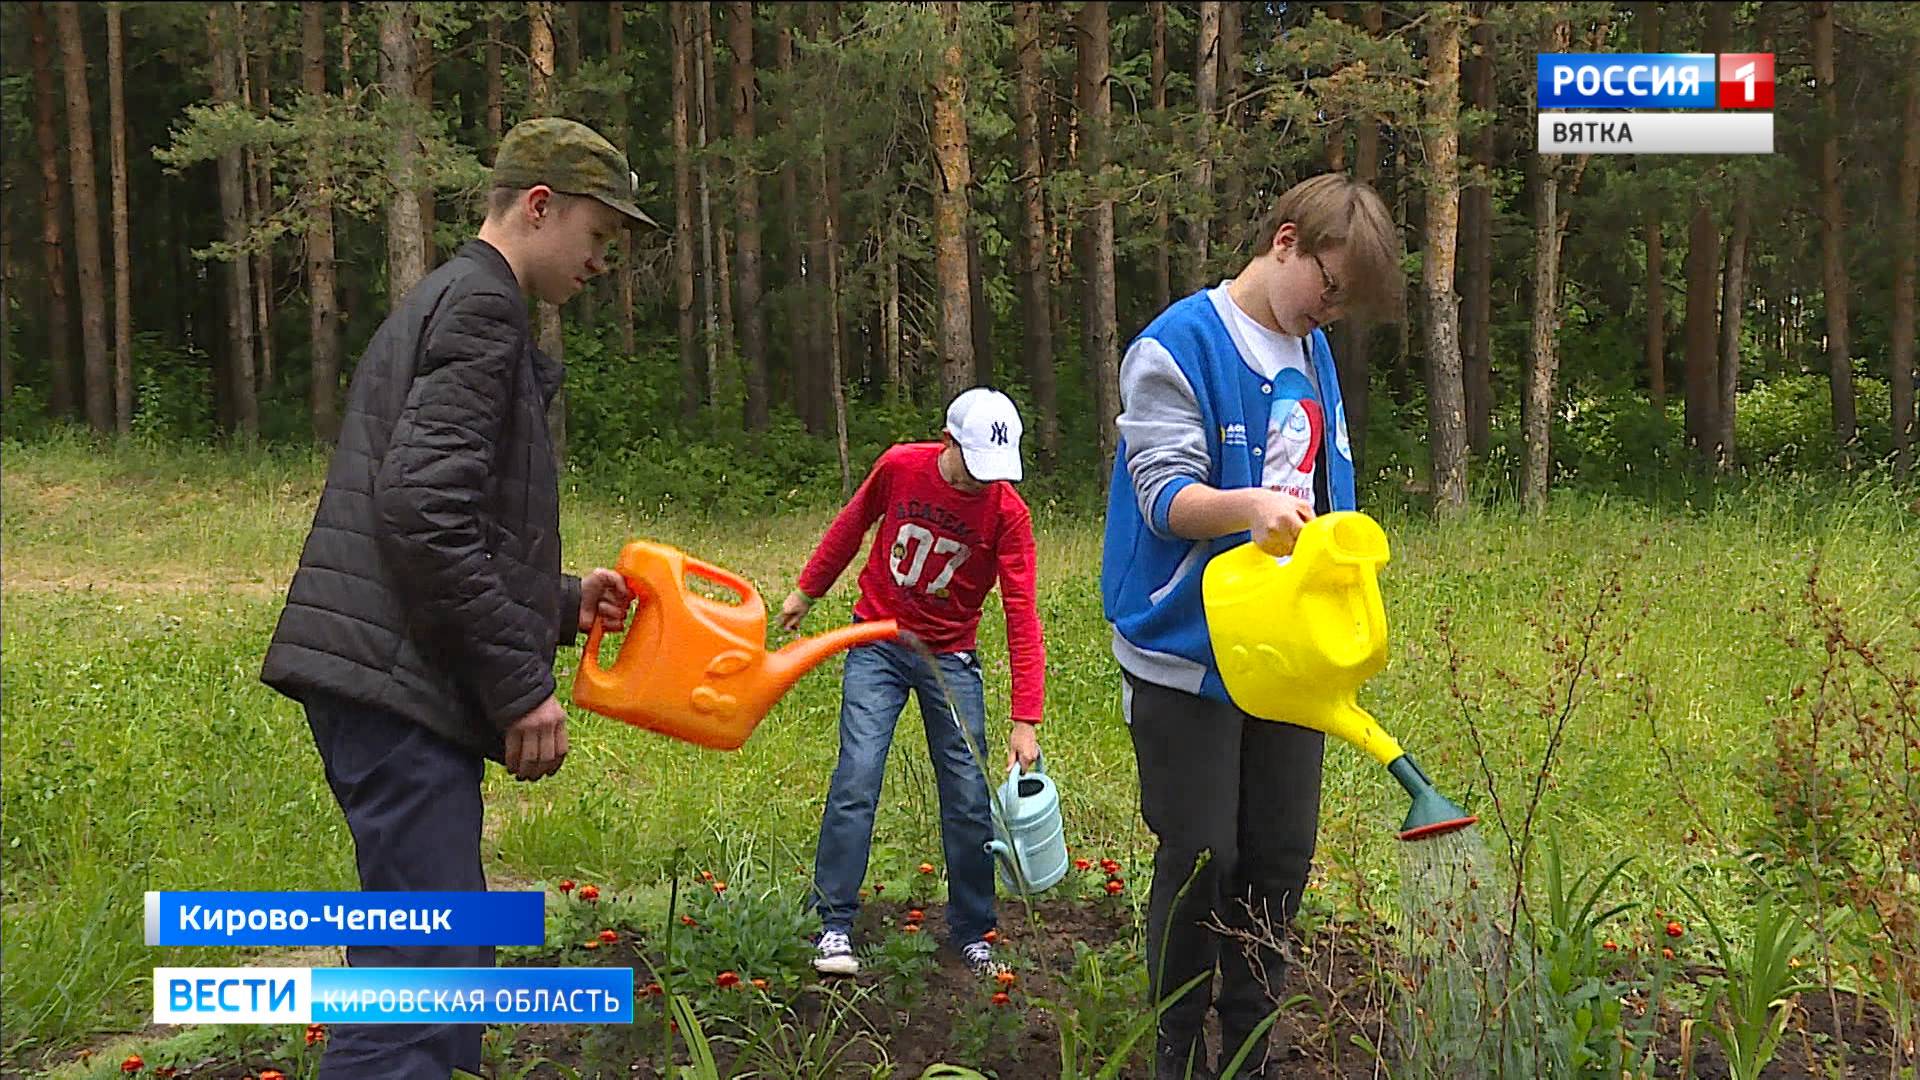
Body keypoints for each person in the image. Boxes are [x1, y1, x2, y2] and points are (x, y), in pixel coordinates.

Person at [260, 117, 653, 1080]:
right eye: (598, 236)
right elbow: (424, 512)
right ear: (539, 206)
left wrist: (561, 604)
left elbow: (444, 520)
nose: (603, 261)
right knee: (422, 974)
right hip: (394, 691)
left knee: (444, 957)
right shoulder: (483, 309)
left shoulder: (450, 297)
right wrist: (523, 686)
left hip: (392, 677)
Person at [1100, 173, 1404, 1080]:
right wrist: (1248, 509)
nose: (1333, 312)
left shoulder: (1314, 361)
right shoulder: (1178, 345)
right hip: (1187, 652)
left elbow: (1324, 495)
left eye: (1347, 302)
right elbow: (1162, 499)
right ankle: (1173, 1052)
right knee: (1201, 857)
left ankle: (1250, 1055)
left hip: (1286, 660)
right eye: (1331, 287)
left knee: (1277, 857)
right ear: (1285, 242)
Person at [781, 387, 1048, 979]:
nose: (986, 483)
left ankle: (974, 929)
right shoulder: (901, 465)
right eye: (977, 468)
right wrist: (807, 591)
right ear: (948, 442)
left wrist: (1025, 716)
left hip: (949, 658)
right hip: (876, 640)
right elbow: (852, 526)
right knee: (857, 774)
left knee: (968, 793)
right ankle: (833, 924)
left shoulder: (1008, 514)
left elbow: (1021, 612)